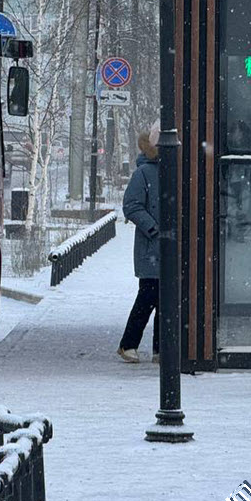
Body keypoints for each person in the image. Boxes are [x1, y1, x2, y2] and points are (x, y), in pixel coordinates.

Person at [118, 123, 161, 363]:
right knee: (147, 298)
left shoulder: (164, 170)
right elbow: (131, 205)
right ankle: (128, 344)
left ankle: (159, 348)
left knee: (164, 300)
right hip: (151, 248)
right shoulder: (143, 173)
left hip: (161, 246)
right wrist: (153, 229)